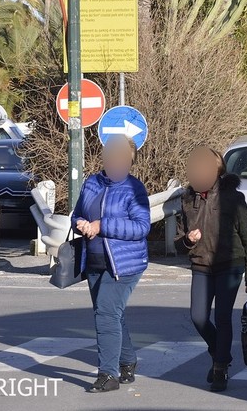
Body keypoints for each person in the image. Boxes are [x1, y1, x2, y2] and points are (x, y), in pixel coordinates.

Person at [175, 146, 247, 392]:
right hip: (200, 265)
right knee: (198, 317)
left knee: (223, 317)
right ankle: (218, 350)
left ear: (217, 170)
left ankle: (220, 367)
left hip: (229, 265)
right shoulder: (186, 199)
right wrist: (188, 240)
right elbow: (180, 243)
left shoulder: (233, 197)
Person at [71, 134, 151, 393]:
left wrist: (101, 225)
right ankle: (127, 361)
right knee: (110, 314)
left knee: (106, 313)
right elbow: (77, 214)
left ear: (129, 161)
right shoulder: (92, 183)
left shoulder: (134, 189)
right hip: (93, 260)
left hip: (125, 263)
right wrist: (81, 223)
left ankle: (108, 374)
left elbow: (141, 227)